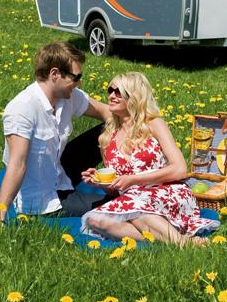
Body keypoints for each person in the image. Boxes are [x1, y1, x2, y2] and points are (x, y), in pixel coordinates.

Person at [80, 72, 219, 246]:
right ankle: (174, 239)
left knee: (135, 206)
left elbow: (179, 169)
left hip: (167, 193)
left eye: (118, 92)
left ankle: (181, 243)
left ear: (134, 96)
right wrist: (100, 183)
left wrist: (134, 180)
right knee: (95, 220)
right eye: (110, 90)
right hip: (131, 198)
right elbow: (115, 191)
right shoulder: (107, 137)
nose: (111, 96)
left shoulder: (153, 123)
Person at [0, 41, 110, 226]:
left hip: (58, 167)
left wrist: (146, 123)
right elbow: (17, 165)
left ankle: (132, 173)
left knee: (110, 128)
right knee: (113, 205)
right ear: (54, 74)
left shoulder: (67, 97)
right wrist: (0, 219)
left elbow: (106, 111)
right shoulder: (22, 109)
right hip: (43, 197)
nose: (79, 82)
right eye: (76, 77)